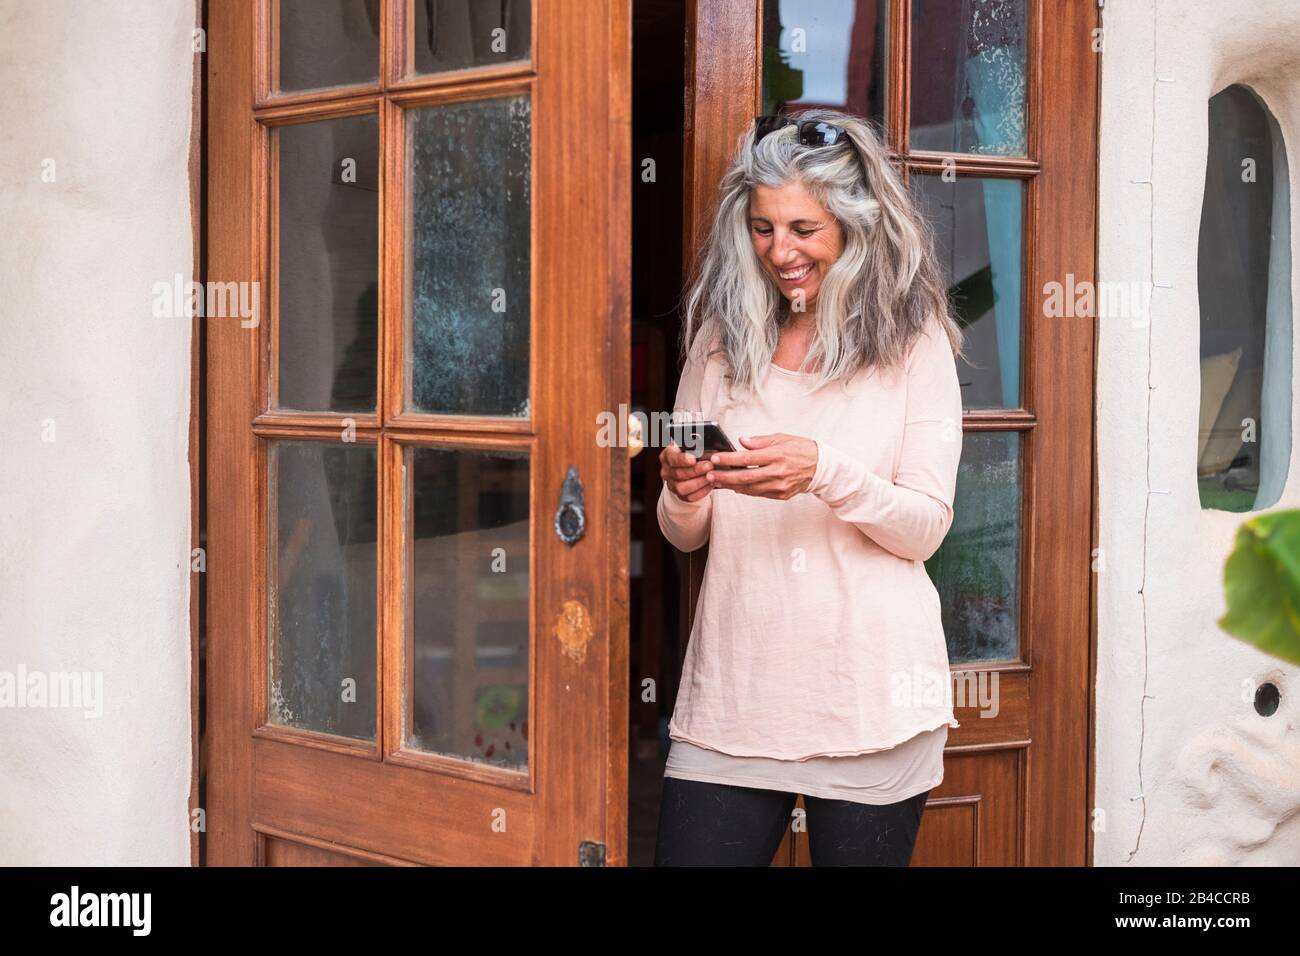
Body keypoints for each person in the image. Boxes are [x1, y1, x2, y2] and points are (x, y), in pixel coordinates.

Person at [653, 109, 966, 867]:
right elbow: (683, 535)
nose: (780, 252)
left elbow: (923, 527)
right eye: (763, 229)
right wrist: (684, 488)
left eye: (804, 229)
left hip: (871, 700)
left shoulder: (912, 341)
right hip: (733, 696)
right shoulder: (719, 341)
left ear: (855, 227)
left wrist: (823, 473)